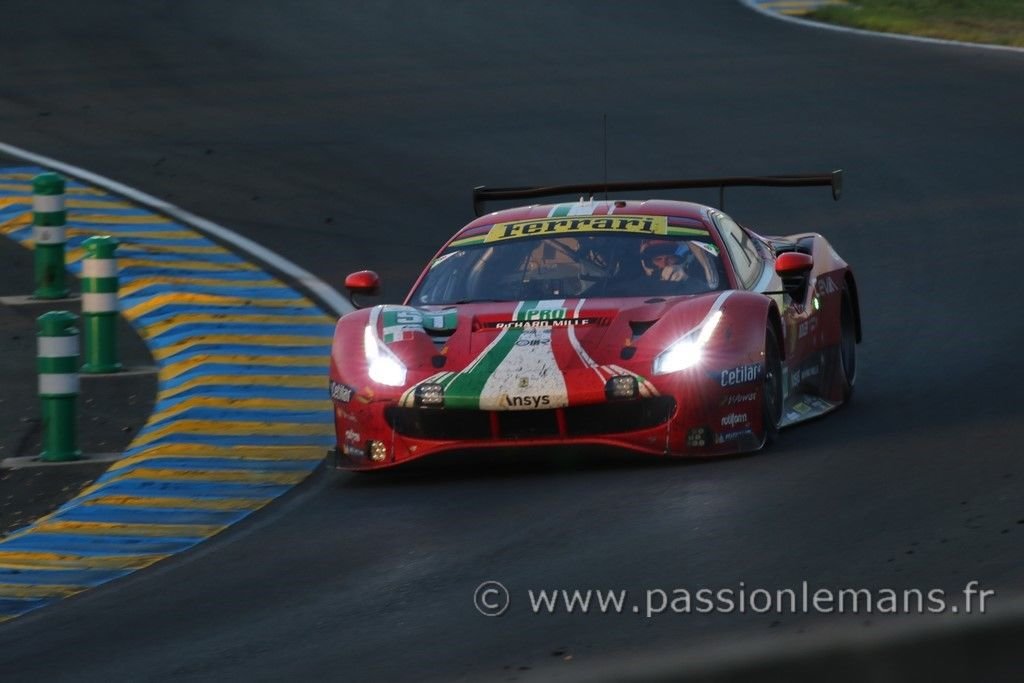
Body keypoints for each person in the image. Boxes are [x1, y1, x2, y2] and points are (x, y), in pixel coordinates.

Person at [640, 239, 719, 289]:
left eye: (670, 258)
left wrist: (686, 279)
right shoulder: (634, 288)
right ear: (647, 263)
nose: (664, 264)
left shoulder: (691, 278)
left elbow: (717, 250)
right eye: (658, 259)